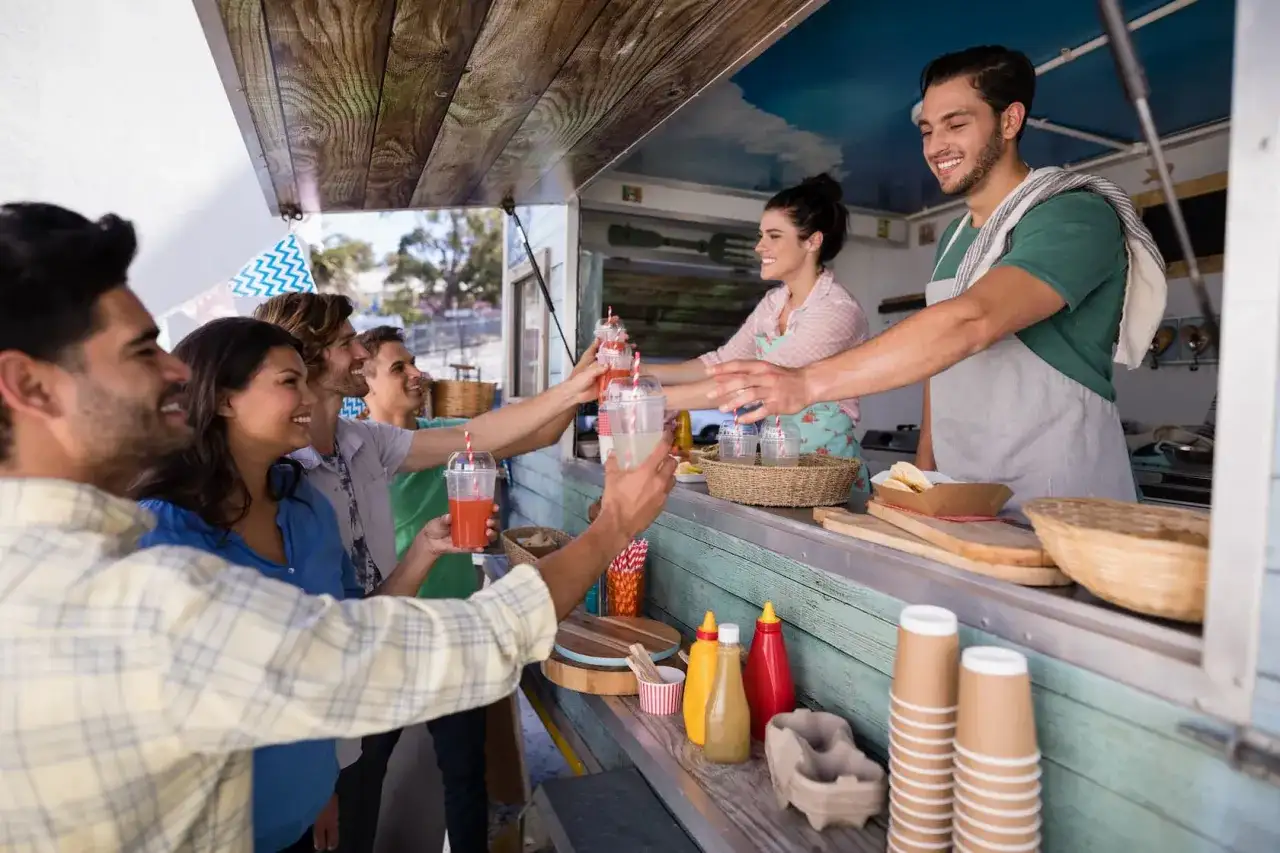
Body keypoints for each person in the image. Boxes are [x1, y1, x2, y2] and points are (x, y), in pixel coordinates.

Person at [0, 201, 677, 852]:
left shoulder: (291, 494)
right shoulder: (147, 592)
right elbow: (460, 644)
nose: (177, 368)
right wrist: (614, 520)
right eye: (143, 350)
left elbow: (477, 439)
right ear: (29, 387)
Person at [708, 46, 1167, 510]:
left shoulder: (1074, 214)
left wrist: (805, 384)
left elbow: (972, 322)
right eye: (927, 130)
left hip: (1057, 491)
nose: (934, 146)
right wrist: (923, 472)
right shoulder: (954, 238)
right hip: (963, 490)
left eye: (956, 124)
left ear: (1009, 122)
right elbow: (941, 364)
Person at [128, 317, 497, 852]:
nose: (309, 395)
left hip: (299, 813)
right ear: (226, 398)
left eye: (306, 378)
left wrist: (424, 551)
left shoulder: (306, 510)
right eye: (289, 382)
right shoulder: (159, 532)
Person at [252, 292, 600, 853]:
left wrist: (574, 387)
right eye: (347, 343)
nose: (361, 351)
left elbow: (483, 436)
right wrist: (310, 770)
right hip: (324, 709)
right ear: (305, 361)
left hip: (380, 662)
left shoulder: (361, 441)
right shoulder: (275, 475)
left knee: (388, 808)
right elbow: (286, 637)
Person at [356, 325, 597, 853]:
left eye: (414, 362)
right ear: (363, 380)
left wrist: (580, 382)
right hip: (388, 637)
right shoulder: (353, 458)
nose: (417, 373)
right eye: (399, 368)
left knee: (465, 778)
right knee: (362, 774)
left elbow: (535, 433)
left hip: (454, 634)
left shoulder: (445, 435)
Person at [646, 174, 871, 489]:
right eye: (761, 235)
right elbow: (721, 361)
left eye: (774, 236)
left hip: (831, 476)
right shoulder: (773, 303)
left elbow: (755, 383)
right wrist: (640, 372)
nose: (758, 246)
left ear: (812, 241)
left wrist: (654, 400)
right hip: (779, 470)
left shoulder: (835, 311)